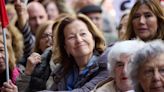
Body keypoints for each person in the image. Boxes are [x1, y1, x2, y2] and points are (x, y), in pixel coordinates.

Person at [41, 13, 109, 91]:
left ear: (93, 38)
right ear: (65, 46)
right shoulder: (62, 71)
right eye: (71, 37)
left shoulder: (106, 65)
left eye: (83, 34)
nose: (79, 40)